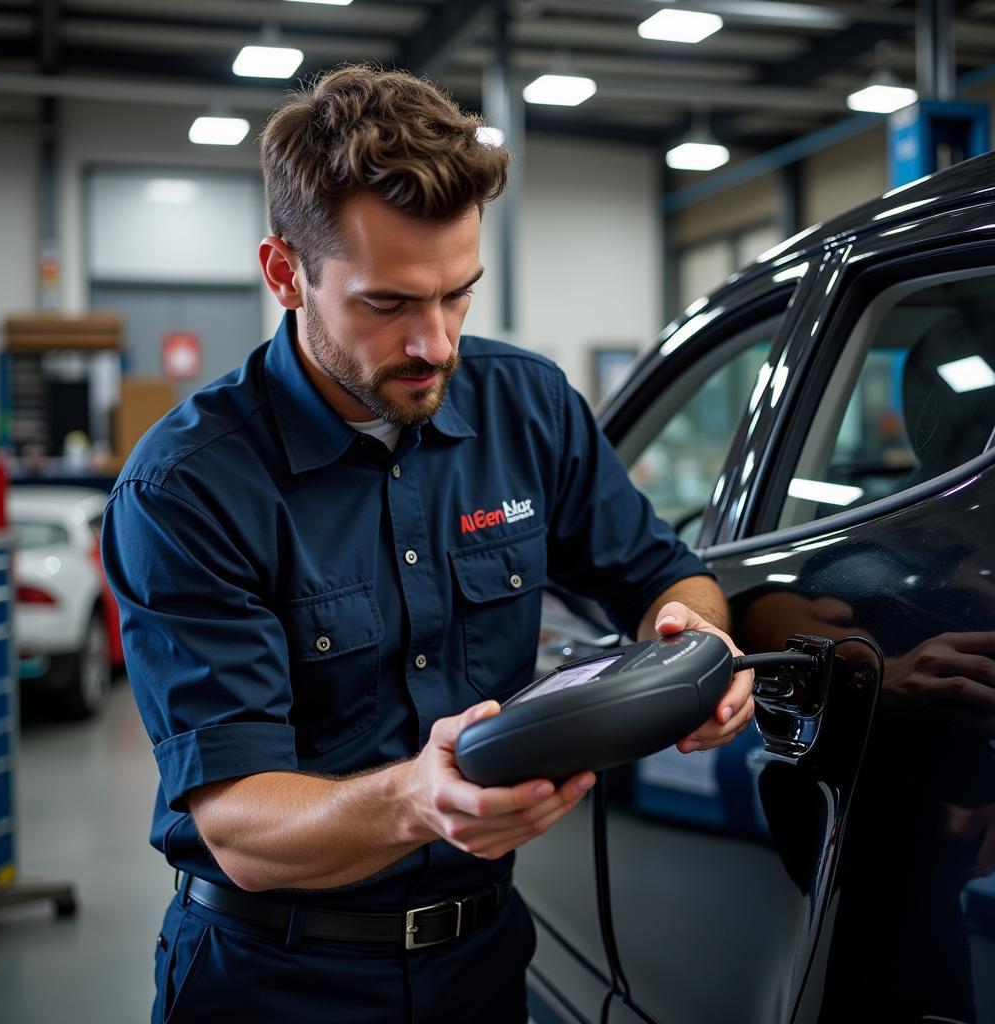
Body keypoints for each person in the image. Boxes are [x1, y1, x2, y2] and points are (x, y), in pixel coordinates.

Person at [101, 64, 755, 1024]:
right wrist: (417, 798)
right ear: (286, 274)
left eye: (458, 295)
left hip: (483, 963)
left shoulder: (526, 407)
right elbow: (239, 820)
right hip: (274, 980)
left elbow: (665, 574)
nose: (437, 343)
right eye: (388, 304)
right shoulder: (188, 487)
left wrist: (697, 643)